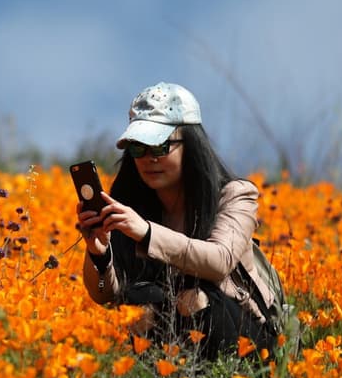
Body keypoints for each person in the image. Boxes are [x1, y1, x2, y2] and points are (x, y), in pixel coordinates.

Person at [77, 82, 279, 361]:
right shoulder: (132, 207)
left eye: (160, 146)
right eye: (137, 148)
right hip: (173, 345)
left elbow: (220, 261)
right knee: (137, 303)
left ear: (192, 145)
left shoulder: (235, 195)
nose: (148, 159)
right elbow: (104, 296)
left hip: (247, 344)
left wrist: (147, 233)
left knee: (194, 298)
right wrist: (98, 255)